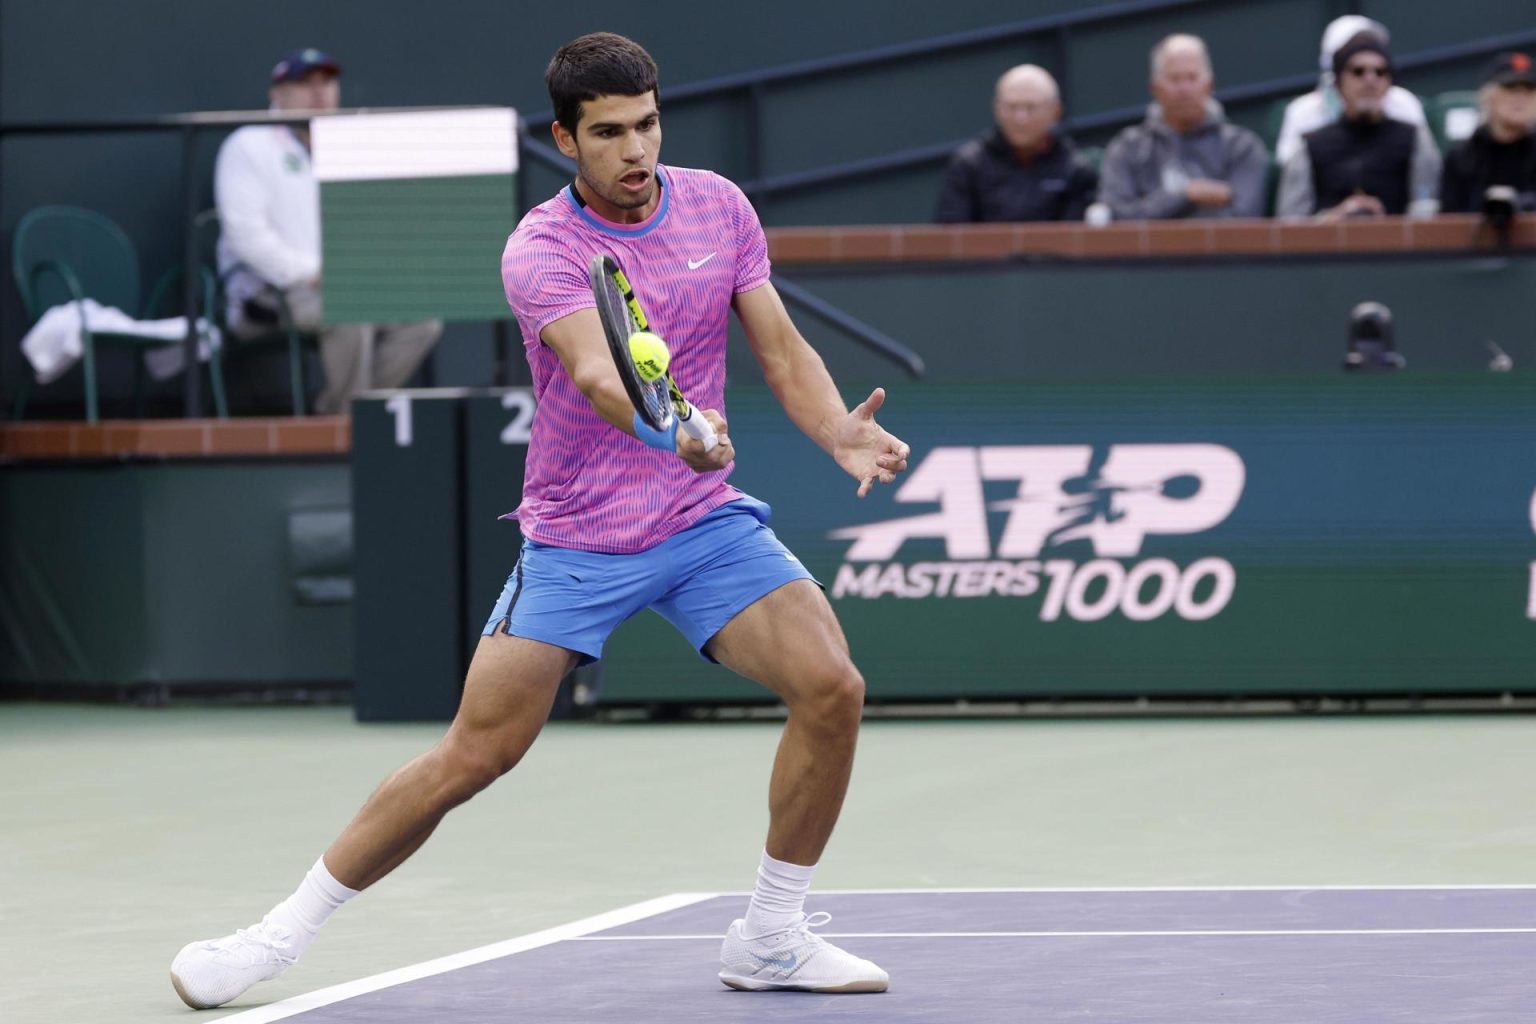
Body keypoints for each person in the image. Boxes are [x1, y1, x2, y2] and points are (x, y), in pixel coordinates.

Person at [169, 32, 908, 1009]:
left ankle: (771, 935)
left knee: (832, 686)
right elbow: (602, 375)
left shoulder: (720, 205)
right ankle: (272, 936)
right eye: (608, 133)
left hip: (702, 524)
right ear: (566, 138)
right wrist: (674, 424)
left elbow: (779, 346)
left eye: (646, 124)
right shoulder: (542, 249)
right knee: (475, 755)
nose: (635, 151)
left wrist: (835, 436)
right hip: (579, 539)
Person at [214, 48, 442, 415]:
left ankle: (346, 414)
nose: (319, 93)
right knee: (351, 311)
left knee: (423, 319)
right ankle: (347, 424)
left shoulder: (352, 148)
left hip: (343, 286)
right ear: (278, 94)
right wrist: (311, 272)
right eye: (305, 83)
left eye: (327, 82)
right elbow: (246, 234)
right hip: (268, 294)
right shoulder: (247, 144)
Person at [1098, 34, 1269, 220]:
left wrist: (1151, 208)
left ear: (1209, 85)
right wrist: (1186, 194)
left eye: (1192, 78)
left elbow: (1244, 219)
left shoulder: (1242, 147)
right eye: (1174, 79)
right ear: (1154, 88)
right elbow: (1117, 219)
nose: (1184, 89)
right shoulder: (1127, 148)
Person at [1276, 31, 1442, 220]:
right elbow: (1291, 220)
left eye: (1380, 72)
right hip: (1328, 246)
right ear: (1339, 83)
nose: (1370, 80)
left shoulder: (1414, 138)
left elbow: (1426, 208)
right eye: (1358, 71)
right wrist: (1335, 217)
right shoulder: (1310, 144)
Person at [934, 64, 1098, 223]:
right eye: (1012, 107)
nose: (1021, 118)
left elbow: (1076, 241)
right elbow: (949, 237)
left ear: (1055, 112)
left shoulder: (1074, 168)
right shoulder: (968, 165)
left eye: (1031, 107)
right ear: (997, 109)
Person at [1274, 15, 1429, 167]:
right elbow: (1291, 170)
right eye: (1357, 70)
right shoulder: (1302, 112)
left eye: (1372, 46)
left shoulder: (1405, 103)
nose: (1369, 78)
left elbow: (1424, 167)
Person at [1440, 52, 1536, 214]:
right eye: (1510, 88)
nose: (1521, 97)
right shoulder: (1462, 157)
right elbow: (1447, 222)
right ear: (1489, 96)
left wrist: (1520, 201)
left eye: (1529, 89)